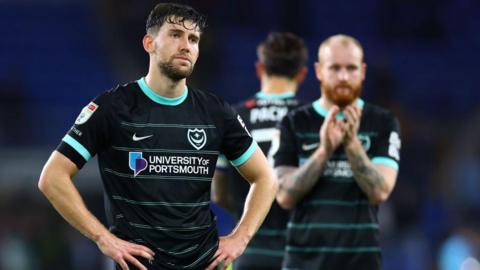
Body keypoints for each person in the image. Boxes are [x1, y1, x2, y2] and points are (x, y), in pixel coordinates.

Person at [37, 3, 278, 270]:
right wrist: (102, 237)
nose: (186, 45)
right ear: (149, 43)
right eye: (175, 35)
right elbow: (52, 178)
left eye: (194, 39)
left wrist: (240, 238)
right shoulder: (112, 108)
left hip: (206, 263)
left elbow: (265, 178)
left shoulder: (216, 112)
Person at [273, 34, 401, 269]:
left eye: (351, 68)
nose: (343, 77)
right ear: (319, 71)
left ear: (363, 71)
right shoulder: (294, 122)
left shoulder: (382, 122)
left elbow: (380, 191)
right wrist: (324, 151)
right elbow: (284, 195)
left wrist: (352, 145)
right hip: (303, 263)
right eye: (335, 68)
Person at [212, 32, 308, 270]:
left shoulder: (232, 117)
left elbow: (219, 194)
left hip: (248, 252)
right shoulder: (313, 119)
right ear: (302, 74)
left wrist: (250, 211)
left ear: (259, 68)